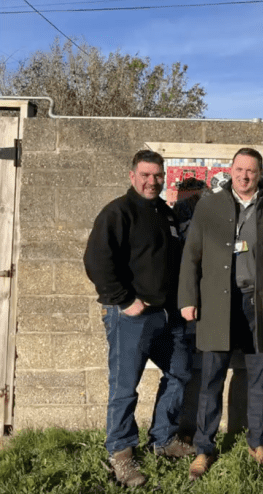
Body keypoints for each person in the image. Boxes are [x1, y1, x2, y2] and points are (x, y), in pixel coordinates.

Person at [179, 147, 263, 480]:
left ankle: (257, 443)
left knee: (259, 377)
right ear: (231, 170)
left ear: (260, 175)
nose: (244, 176)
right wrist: (188, 297)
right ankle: (204, 449)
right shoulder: (210, 204)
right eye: (240, 169)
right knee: (211, 379)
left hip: (257, 305)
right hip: (217, 305)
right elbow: (191, 256)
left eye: (252, 171)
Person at [84, 150, 194, 488]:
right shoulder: (118, 212)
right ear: (133, 176)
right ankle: (120, 453)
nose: (151, 181)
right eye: (145, 175)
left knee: (180, 371)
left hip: (166, 316)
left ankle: (162, 440)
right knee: (124, 387)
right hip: (131, 317)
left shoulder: (166, 214)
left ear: (164, 177)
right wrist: (124, 300)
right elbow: (96, 260)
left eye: (157, 175)